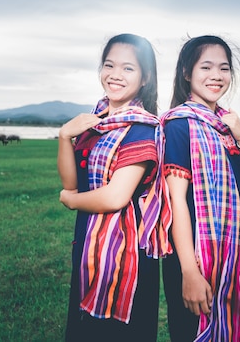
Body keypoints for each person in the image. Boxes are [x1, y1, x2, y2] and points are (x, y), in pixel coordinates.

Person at [57, 33, 171, 342]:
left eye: (128, 68)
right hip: (89, 246)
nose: (115, 75)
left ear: (145, 77)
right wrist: (66, 134)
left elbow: (116, 196)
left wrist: (71, 201)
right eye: (109, 65)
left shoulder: (141, 128)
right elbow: (70, 182)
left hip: (125, 257)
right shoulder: (97, 121)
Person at [161, 35, 240, 341]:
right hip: (192, 255)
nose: (216, 76)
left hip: (233, 249)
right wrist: (189, 272)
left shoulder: (223, 125)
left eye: (224, 68)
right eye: (206, 67)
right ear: (187, 73)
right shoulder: (178, 125)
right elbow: (176, 202)